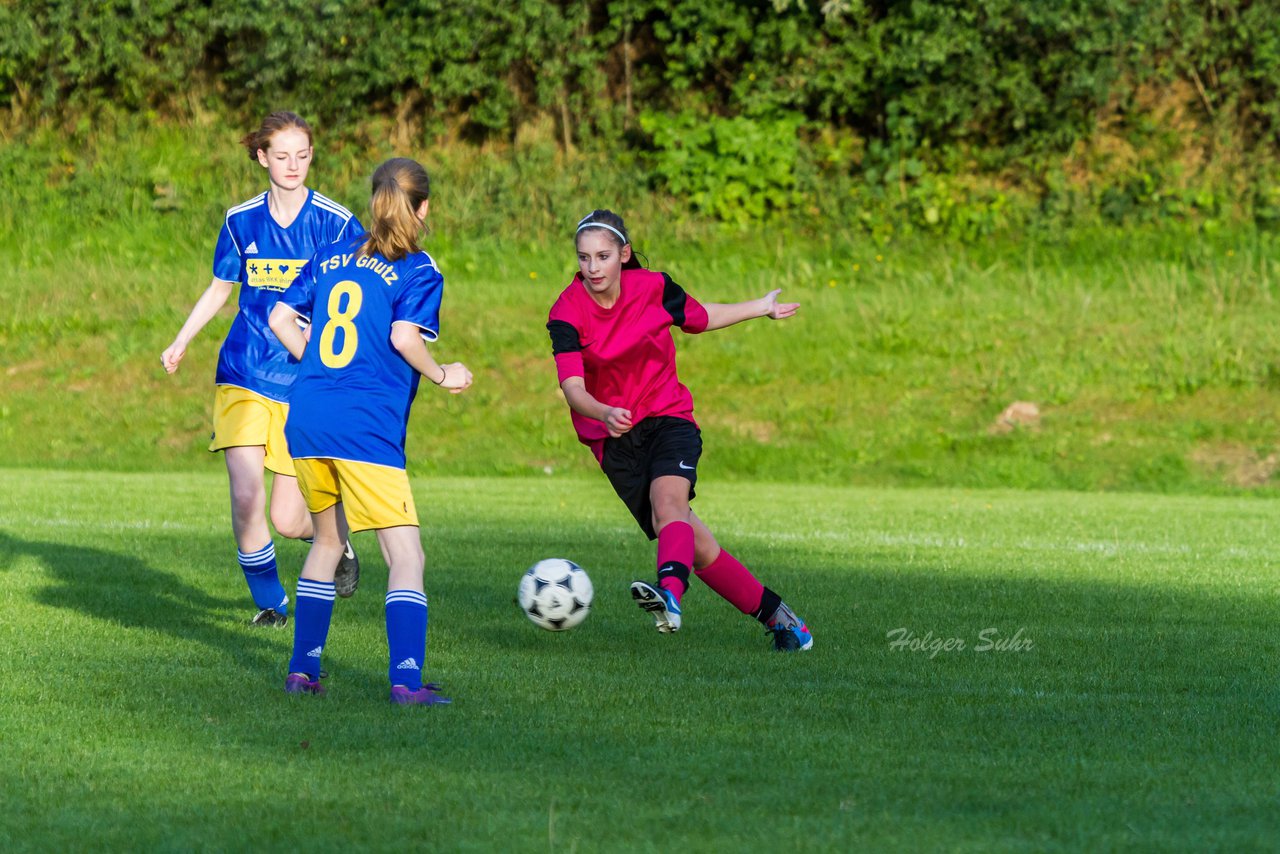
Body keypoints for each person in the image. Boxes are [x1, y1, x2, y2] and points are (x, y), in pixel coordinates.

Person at [546, 210, 813, 651]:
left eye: (603, 256)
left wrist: (760, 307)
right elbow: (572, 388)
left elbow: (702, 317)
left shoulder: (653, 287)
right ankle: (783, 621)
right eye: (584, 258)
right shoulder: (566, 312)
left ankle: (670, 594)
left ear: (623, 254)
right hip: (612, 438)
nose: (593, 267)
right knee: (699, 546)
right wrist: (603, 410)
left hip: (668, 417)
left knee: (668, 504)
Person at [268, 157, 472, 705]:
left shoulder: (333, 252)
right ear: (423, 207)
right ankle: (406, 681)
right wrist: (443, 374)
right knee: (406, 557)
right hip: (365, 425)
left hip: (307, 414)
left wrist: (317, 365)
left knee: (329, 540)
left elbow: (280, 319)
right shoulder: (417, 266)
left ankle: (301, 671)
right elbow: (406, 337)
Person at [161, 111, 364, 627]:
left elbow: (360, 293)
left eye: (302, 154)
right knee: (247, 498)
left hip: (306, 381)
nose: (293, 165)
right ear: (261, 157)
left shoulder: (338, 223)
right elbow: (219, 287)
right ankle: (272, 606)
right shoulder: (240, 220)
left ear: (311, 156)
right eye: (281, 155)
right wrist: (181, 339)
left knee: (288, 518)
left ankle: (336, 541)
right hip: (245, 371)